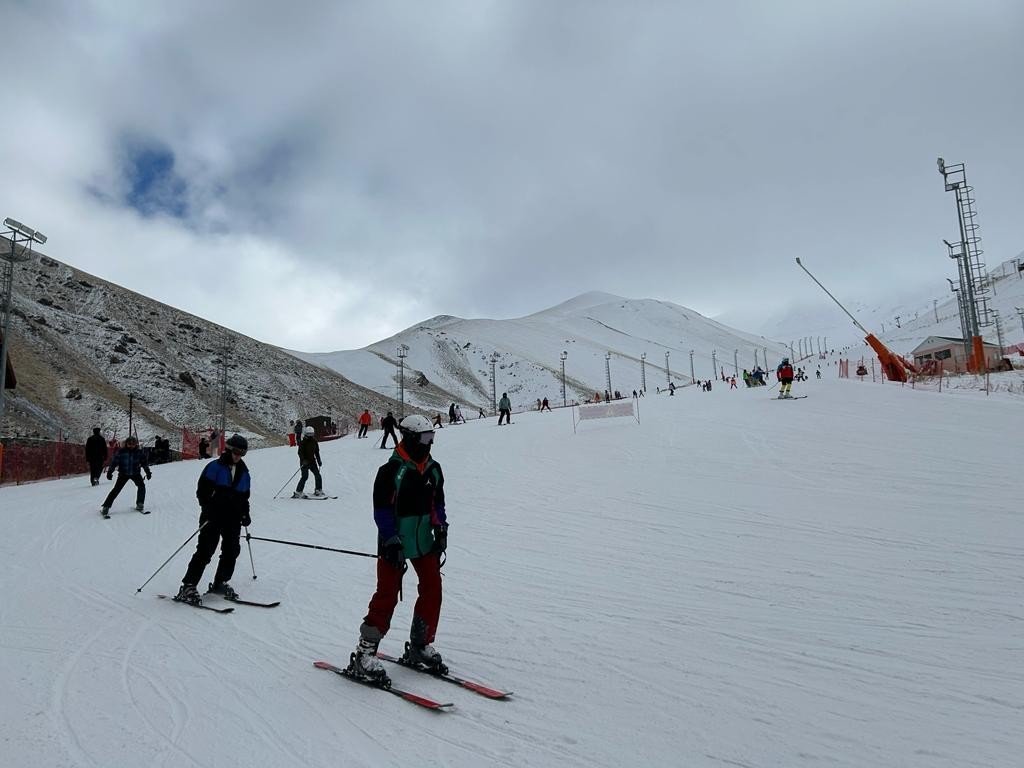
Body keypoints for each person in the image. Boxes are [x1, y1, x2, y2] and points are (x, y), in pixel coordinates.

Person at [346, 414, 448, 683]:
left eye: (432, 438)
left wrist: (441, 528)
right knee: (387, 594)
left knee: (432, 588)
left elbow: (437, 503)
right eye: (426, 438)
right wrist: (390, 539)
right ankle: (366, 652)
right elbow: (381, 511)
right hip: (396, 542)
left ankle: (420, 645)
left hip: (424, 540)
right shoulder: (391, 471)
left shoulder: (433, 469)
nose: (430, 443)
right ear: (411, 438)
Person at [174, 434, 251, 606]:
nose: (239, 456)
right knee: (205, 550)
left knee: (232, 550)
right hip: (213, 517)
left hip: (233, 519)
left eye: (243, 453)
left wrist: (245, 514)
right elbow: (202, 493)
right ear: (229, 450)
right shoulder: (214, 467)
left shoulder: (244, 472)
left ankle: (220, 582)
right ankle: (189, 585)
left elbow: (244, 497)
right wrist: (209, 510)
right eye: (237, 452)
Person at [101, 435, 151, 515]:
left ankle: (140, 503)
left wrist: (148, 472)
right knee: (116, 489)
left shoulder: (139, 452)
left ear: (136, 444)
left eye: (133, 444)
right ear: (126, 444)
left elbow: (144, 463)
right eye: (129, 444)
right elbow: (114, 462)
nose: (131, 446)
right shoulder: (121, 452)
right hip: (123, 474)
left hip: (135, 473)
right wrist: (110, 472)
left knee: (141, 486)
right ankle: (106, 506)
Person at [293, 425, 324, 498]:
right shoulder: (303, 442)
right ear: (306, 434)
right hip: (305, 462)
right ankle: (298, 492)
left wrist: (319, 460)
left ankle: (318, 490)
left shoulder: (314, 442)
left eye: (312, 434)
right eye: (309, 434)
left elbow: (317, 452)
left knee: (318, 475)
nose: (310, 436)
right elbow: (300, 453)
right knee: (305, 477)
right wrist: (303, 460)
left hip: (312, 461)